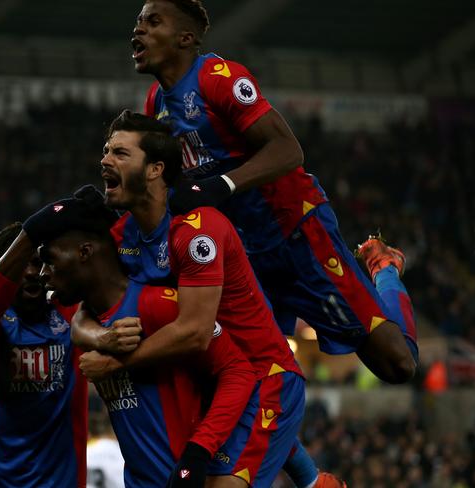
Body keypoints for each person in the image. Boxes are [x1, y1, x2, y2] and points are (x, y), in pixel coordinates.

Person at [132, 0, 417, 386]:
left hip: (295, 232)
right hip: (246, 255)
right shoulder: (155, 103)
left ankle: (384, 269)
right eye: (139, 22)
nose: (139, 30)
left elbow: (287, 149)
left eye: (153, 22)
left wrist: (223, 185)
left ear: (186, 38)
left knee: (396, 366)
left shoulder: (219, 77)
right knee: (244, 374)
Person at [67, 110, 306, 487]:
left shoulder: (197, 230)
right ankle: (311, 477)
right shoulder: (122, 233)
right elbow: (83, 315)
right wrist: (103, 339)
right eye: (106, 151)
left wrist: (116, 362)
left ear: (155, 169)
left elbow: (195, 332)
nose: (105, 160)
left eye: (120, 153)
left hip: (263, 379)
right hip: (210, 383)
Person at [24, 192, 258, 488]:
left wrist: (199, 451)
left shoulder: (158, 305)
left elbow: (239, 372)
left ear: (84, 252)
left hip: (185, 478)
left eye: (50, 260)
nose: (43, 274)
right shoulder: (90, 322)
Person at [0, 222, 88, 488]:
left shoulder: (70, 312)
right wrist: (33, 231)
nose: (33, 272)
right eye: (23, 263)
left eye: (39, 262)